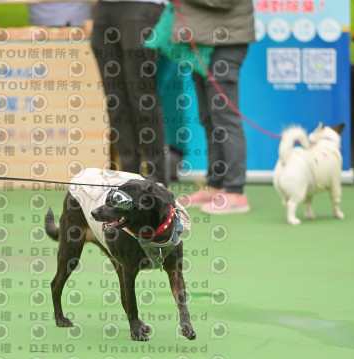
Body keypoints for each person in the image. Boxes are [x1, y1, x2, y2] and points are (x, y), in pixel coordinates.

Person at [174, 0, 255, 214]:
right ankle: (215, 186)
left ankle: (236, 192)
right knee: (209, 118)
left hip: (227, 40)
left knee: (225, 118)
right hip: (202, 39)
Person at [90, 0, 169, 186]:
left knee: (141, 97)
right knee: (115, 101)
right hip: (104, 8)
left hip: (140, 7)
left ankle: (156, 177)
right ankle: (128, 176)